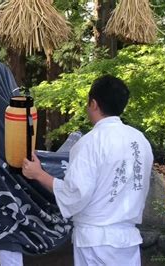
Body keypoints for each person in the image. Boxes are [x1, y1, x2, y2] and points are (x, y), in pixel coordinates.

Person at [22, 75, 154, 266]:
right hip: (128, 240)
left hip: (96, 242)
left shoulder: (90, 143)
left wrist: (39, 174)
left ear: (93, 104)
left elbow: (75, 193)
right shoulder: (140, 140)